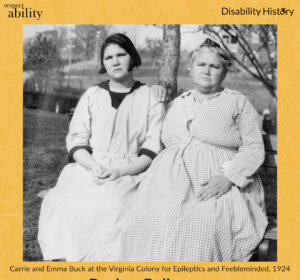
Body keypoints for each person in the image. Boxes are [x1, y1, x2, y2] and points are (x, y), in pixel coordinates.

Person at [120, 38, 268, 261]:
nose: (207, 71)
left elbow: (254, 148)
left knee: (199, 231)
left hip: (215, 184)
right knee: (143, 224)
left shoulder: (237, 102)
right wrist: (154, 94)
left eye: (214, 66)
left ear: (224, 72)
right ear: (190, 68)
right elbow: (145, 128)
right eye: (201, 65)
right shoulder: (178, 102)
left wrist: (228, 178)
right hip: (166, 186)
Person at [38, 33, 166, 261]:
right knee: (67, 204)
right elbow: (77, 141)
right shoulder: (92, 95)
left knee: (115, 207)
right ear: (103, 63)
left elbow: (151, 149)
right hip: (90, 166)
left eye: (121, 54)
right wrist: (92, 165)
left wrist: (119, 172)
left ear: (132, 57)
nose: (115, 62)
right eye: (108, 57)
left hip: (130, 170)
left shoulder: (149, 97)